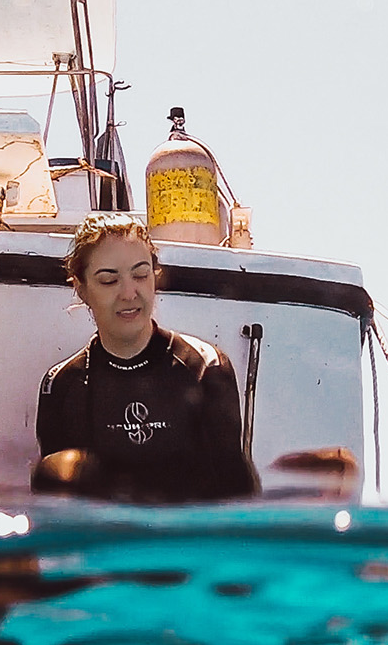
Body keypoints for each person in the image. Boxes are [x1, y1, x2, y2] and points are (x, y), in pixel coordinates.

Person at [34, 213, 258, 501]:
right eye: (108, 280)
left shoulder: (205, 368)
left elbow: (234, 498)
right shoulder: (61, 385)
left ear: (155, 277)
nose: (129, 293)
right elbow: (55, 506)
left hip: (185, 543)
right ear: (81, 289)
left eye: (140, 275)